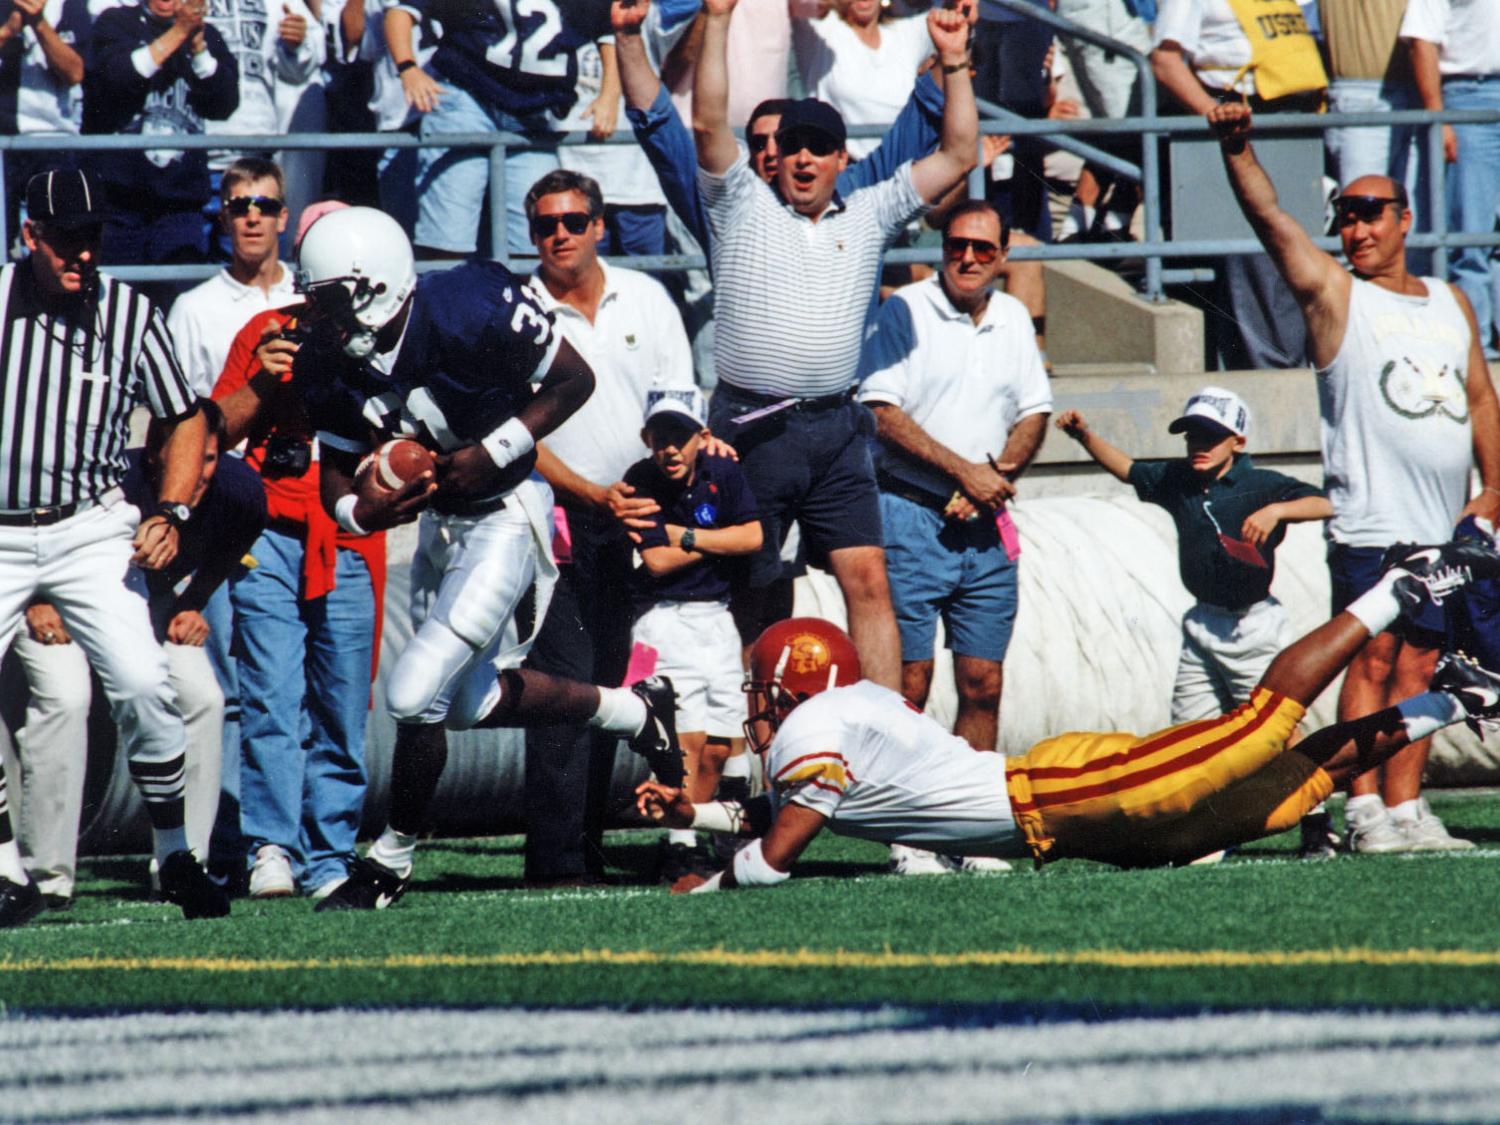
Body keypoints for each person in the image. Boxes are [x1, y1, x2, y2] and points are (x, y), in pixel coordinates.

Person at [638, 541, 1500, 891]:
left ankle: (1403, 586)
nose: (757, 707)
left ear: (789, 683)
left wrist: (707, 882)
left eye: (762, 689)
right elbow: (792, 807)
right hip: (1069, 822)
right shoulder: (846, 712)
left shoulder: (811, 725)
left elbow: (783, 846)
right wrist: (696, 811)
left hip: (1059, 791)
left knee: (1263, 725)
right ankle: (1460, 696)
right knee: (1297, 780)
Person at [284, 207, 683, 911]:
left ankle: (388, 864)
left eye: (331, 299)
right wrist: (362, 513)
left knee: (412, 694)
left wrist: (492, 450)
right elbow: (337, 482)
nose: (320, 316)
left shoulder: (468, 305)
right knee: (463, 704)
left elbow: (573, 380)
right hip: (441, 529)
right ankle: (632, 710)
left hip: (507, 515)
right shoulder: (328, 362)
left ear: (376, 288)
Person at [1210, 100, 1500, 852]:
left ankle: (1407, 809)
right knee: (1371, 657)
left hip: (1445, 525)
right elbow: (1273, 221)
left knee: (1425, 662)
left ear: (1404, 219)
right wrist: (1238, 151)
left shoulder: (1451, 300)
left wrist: (1493, 490)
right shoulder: (1337, 294)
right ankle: (1364, 809)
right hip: (1372, 519)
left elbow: (1479, 398)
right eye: (1345, 216)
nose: (1357, 229)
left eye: (1372, 213)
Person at [688, 0, 978, 693]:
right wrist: (719, 19)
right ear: (777, 157)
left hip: (836, 429)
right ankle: (746, 749)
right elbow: (704, 123)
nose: (806, 159)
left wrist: (957, 61)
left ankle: (878, 737)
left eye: (820, 147)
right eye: (794, 147)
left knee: (869, 580)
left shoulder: (872, 208)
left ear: (842, 158)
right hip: (754, 428)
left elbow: (961, 153)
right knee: (753, 587)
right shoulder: (743, 203)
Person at [0, 168, 227, 927]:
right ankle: (6, 863)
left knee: (143, 681)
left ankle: (175, 852)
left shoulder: (128, 313)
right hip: (0, 526)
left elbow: (187, 417)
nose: (81, 254)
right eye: (65, 238)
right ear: (30, 235)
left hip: (90, 523)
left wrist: (172, 509)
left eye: (91, 237)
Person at [0, 400, 265, 913]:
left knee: (204, 697)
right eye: (191, 457)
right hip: (50, 608)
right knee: (66, 697)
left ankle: (184, 862)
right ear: (155, 457)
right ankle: (45, 875)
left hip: (140, 615)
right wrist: (35, 600)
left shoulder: (238, 489)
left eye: (210, 457)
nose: (201, 472)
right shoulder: (111, 484)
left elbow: (237, 540)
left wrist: (192, 604)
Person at [1058, 386, 1338, 856]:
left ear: (1239, 442)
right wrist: (1085, 437)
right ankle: (1202, 835)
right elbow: (1128, 470)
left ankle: (1317, 823)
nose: (1198, 445)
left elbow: (1329, 503)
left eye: (1211, 435)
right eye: (1192, 435)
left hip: (1253, 626)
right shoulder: (1180, 478)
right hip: (1202, 623)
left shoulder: (1260, 485)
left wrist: (1278, 510)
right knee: (1191, 730)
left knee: (1278, 729)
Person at [519, 168, 696, 888]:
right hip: (551, 521)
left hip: (635, 519)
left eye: (572, 220)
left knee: (610, 686)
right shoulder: (519, 309)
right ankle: (556, 861)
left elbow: (678, 406)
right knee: (561, 685)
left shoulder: (647, 299)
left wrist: (650, 493)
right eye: (544, 224)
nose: (558, 234)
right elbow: (513, 433)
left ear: (601, 225)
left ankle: (586, 846)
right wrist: (594, 495)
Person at [210, 200, 388, 900]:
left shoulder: (384, 338)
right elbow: (217, 429)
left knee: (343, 702)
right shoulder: (266, 328)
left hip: (347, 534)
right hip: (272, 532)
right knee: (272, 695)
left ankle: (331, 848)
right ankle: (271, 844)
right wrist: (264, 377)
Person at [857, 201, 1050, 760]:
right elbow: (881, 411)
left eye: (982, 248)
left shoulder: (1013, 316)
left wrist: (991, 478)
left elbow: (1034, 414)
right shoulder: (904, 311)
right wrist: (968, 474)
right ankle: (908, 832)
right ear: (941, 248)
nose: (967, 257)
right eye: (956, 245)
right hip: (910, 517)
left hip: (987, 521)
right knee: (909, 684)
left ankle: (970, 821)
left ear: (1003, 255)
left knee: (983, 683)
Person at [622, 388, 762, 881]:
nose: (670, 449)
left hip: (717, 619)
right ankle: (680, 845)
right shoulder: (639, 481)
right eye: (661, 437)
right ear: (647, 439)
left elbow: (754, 537)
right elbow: (658, 562)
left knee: (725, 744)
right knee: (686, 740)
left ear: (703, 437)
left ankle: (728, 833)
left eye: (681, 437)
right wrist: (718, 541)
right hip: (664, 620)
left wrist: (685, 536)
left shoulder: (722, 471)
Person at [1150, 0, 1326, 371]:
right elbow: (1166, 61)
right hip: (1244, 118)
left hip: (1297, 123)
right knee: (1258, 258)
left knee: (1299, 252)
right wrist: (1216, 117)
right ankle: (1272, 371)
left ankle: (1296, 362)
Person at [397, 0, 609, 260]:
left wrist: (610, 93)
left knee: (535, 239)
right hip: (469, 94)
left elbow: (609, 31)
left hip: (533, 113)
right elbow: (402, 11)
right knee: (448, 230)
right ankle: (446, 297)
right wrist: (408, 68)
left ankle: (521, 300)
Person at [81, 0, 239, 270]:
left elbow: (225, 104)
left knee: (175, 296)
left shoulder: (206, 35)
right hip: (119, 202)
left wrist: (199, 50)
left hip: (179, 203)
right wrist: (178, 32)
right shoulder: (115, 22)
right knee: (118, 297)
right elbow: (118, 79)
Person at [1401, 0, 1500, 359]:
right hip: (1470, 94)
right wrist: (1438, 116)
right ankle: (1480, 355)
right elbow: (1421, 38)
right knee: (1469, 239)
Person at [0, 0, 90, 252]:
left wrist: (39, 23)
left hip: (54, 142)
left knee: (55, 240)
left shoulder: (71, 8)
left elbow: (74, 72)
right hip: (3, 144)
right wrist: (8, 31)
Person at [792, 0, 934, 161]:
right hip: (845, 168)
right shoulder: (821, 33)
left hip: (902, 165)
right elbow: (797, 4)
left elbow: (951, 14)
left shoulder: (905, 35)